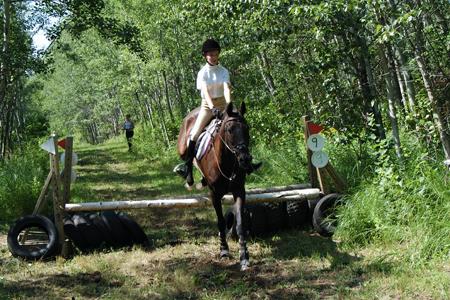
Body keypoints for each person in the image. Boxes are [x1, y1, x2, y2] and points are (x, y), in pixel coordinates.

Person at [177, 38, 261, 185]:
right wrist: (212, 108)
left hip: (223, 103)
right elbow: (205, 92)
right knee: (194, 134)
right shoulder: (202, 73)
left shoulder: (223, 71)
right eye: (210, 54)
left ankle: (248, 163)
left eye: (215, 53)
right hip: (207, 106)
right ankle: (188, 168)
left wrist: (228, 104)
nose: (213, 56)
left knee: (239, 127)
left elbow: (226, 88)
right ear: (205, 56)